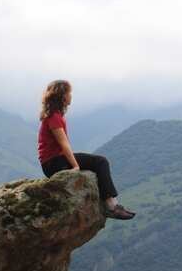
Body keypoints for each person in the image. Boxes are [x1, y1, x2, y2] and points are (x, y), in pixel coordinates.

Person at [37, 79, 136, 220]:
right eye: (69, 93)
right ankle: (112, 207)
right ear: (62, 96)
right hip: (53, 163)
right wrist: (75, 166)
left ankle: (111, 203)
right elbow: (64, 144)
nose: (71, 96)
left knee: (97, 163)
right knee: (100, 162)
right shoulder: (54, 117)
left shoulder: (54, 115)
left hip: (53, 161)